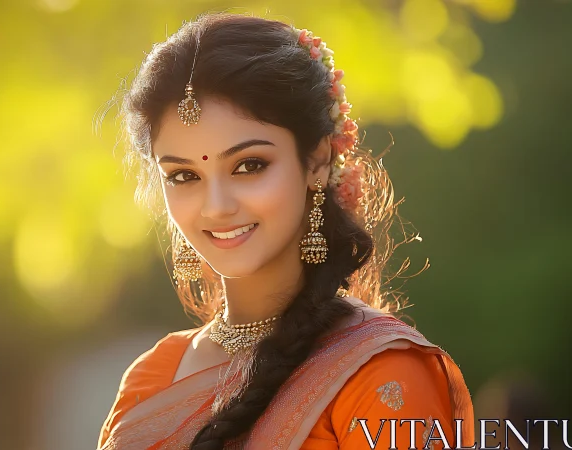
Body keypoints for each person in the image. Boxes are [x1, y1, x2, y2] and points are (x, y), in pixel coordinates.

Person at [97, 13, 474, 450]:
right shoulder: (151, 377)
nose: (216, 206)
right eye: (183, 176)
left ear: (315, 162)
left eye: (249, 166)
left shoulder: (379, 371)